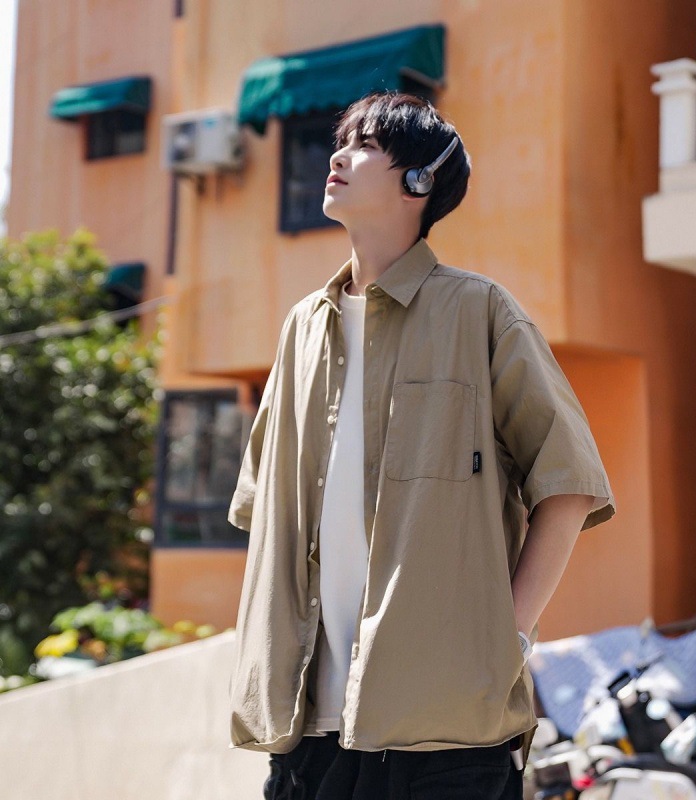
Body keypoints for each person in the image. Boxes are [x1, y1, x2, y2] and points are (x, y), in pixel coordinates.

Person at [227, 91, 616, 800]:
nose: (339, 156)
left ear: (419, 180)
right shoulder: (300, 330)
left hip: (446, 737)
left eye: (367, 145)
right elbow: (265, 512)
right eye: (342, 141)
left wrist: (505, 638)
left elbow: (569, 485)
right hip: (306, 734)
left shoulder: (480, 310)